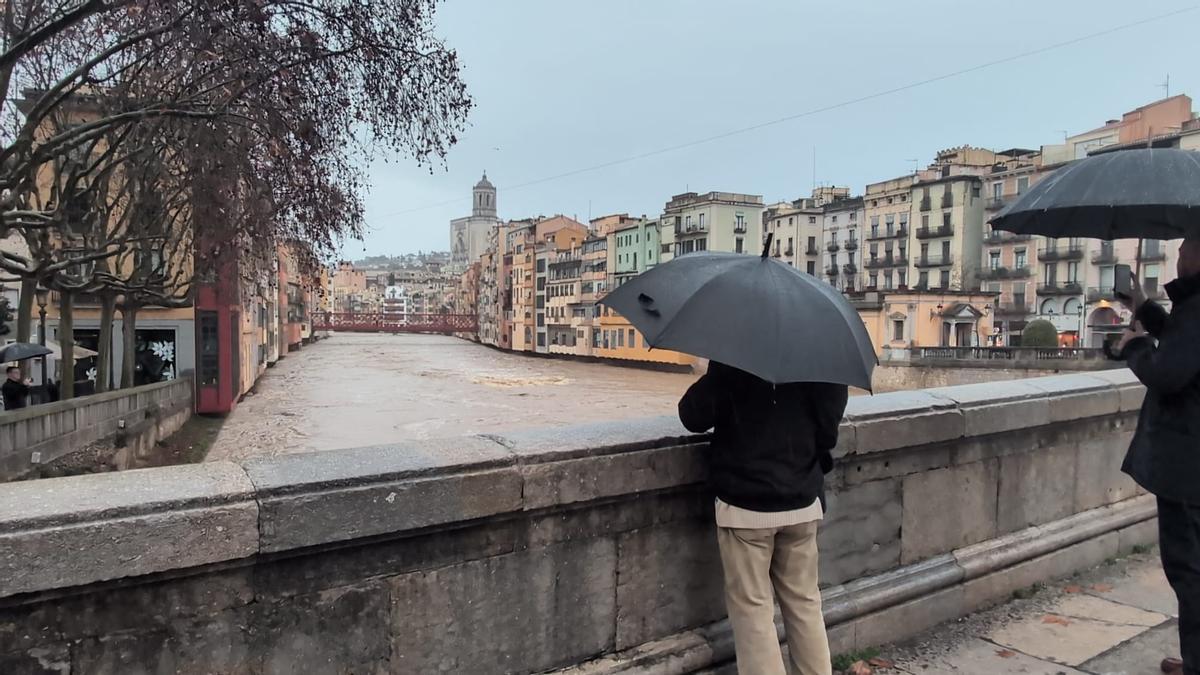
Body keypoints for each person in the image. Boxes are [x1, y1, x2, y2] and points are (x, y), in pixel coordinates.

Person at [678, 359, 848, 675]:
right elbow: (828, 432)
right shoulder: (823, 360)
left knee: (754, 611)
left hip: (745, 506)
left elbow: (692, 415)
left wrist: (718, 373)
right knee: (805, 603)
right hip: (801, 501)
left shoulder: (738, 353)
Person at [1115, 238, 1200, 675]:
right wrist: (1146, 308)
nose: (1180, 256)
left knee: (1190, 571)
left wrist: (1135, 345)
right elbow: (1188, 348)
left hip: (1188, 466)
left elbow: (1169, 374)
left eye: (1186, 249)